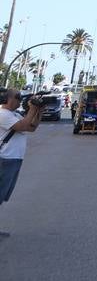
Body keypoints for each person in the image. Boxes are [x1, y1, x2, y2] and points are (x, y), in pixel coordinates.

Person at [0, 89, 43, 237]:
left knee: (2, 195)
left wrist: (38, 111)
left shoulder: (14, 115)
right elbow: (23, 126)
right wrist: (31, 108)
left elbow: (32, 127)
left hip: (13, 159)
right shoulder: (3, 115)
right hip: (4, 159)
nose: (20, 100)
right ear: (7, 99)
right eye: (17, 97)